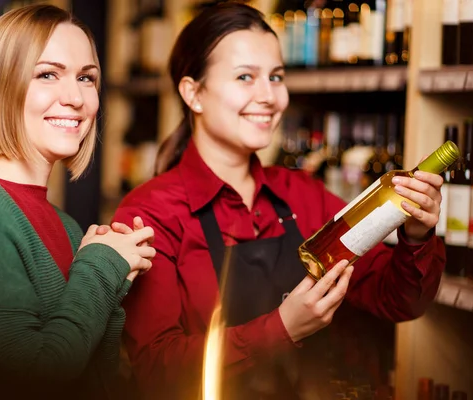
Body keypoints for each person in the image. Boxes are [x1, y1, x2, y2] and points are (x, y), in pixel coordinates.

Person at [111, 3, 446, 400]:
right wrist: (281, 328)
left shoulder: (301, 194)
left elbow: (396, 300)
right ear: (193, 93)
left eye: (276, 76)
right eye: (244, 77)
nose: (269, 96)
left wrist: (417, 234)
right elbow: (156, 370)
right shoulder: (150, 213)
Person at [0, 4, 155, 399]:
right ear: (0, 85)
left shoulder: (68, 227)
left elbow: (95, 380)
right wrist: (102, 267)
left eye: (87, 78)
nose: (74, 97)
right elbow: (31, 377)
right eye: (47, 74)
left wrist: (115, 279)